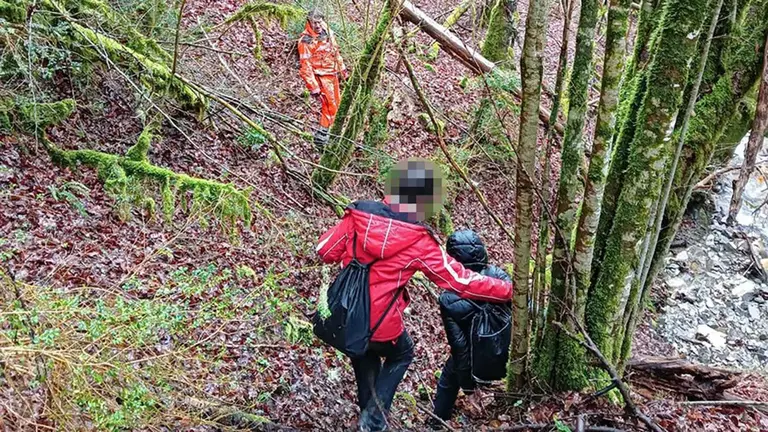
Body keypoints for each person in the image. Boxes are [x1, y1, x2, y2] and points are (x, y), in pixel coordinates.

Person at [315, 159, 513, 432]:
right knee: (402, 353)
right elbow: (458, 280)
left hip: (349, 315)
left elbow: (325, 250)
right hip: (384, 323)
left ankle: (370, 418)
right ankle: (373, 420)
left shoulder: (358, 215)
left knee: (363, 354)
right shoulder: (419, 240)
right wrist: (507, 290)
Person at [431, 230, 512, 426]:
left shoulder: (449, 298)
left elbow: (460, 349)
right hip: (508, 354)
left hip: (478, 362)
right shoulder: (498, 276)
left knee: (449, 377)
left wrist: (468, 386)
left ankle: (436, 422)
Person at [298, 8, 348, 152]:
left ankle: (327, 136)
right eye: (314, 23)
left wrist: (342, 69)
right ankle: (323, 138)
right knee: (330, 106)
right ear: (309, 22)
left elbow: (335, 50)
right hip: (320, 76)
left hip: (332, 73)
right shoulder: (306, 40)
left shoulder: (327, 31)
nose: (318, 25)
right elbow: (305, 66)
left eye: (319, 22)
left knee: (336, 105)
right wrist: (313, 87)